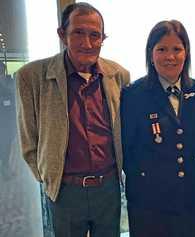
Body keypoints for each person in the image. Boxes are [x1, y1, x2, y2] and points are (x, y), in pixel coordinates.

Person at [15, 2, 130, 237]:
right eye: (78, 32)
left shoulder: (119, 75)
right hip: (64, 191)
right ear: (62, 34)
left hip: (108, 189)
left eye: (94, 35)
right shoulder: (32, 77)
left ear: (102, 39)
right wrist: (49, 178)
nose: (87, 43)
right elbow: (29, 140)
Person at [121, 20, 195, 237]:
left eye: (176, 49)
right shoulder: (134, 95)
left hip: (189, 200)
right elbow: (126, 149)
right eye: (162, 49)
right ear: (151, 54)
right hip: (149, 202)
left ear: (186, 53)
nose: (170, 56)